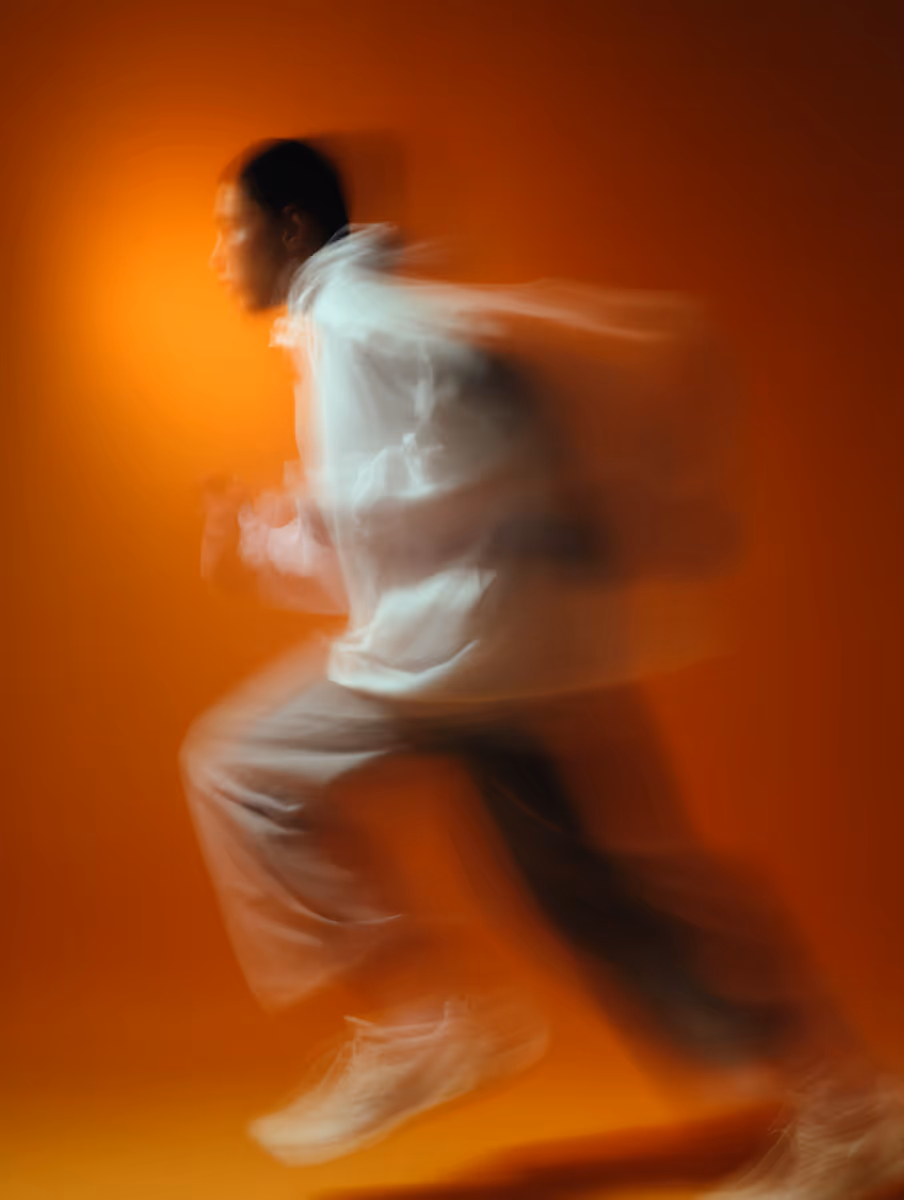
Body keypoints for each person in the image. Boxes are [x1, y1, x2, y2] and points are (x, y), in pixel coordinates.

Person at [182, 138, 904, 1195]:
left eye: (228, 230)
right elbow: (397, 529)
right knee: (616, 911)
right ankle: (853, 1112)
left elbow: (550, 358)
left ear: (290, 231)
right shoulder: (348, 330)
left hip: (459, 666)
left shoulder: (364, 319)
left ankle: (431, 1025)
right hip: (498, 665)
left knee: (240, 766)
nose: (216, 256)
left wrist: (606, 509)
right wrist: (271, 536)